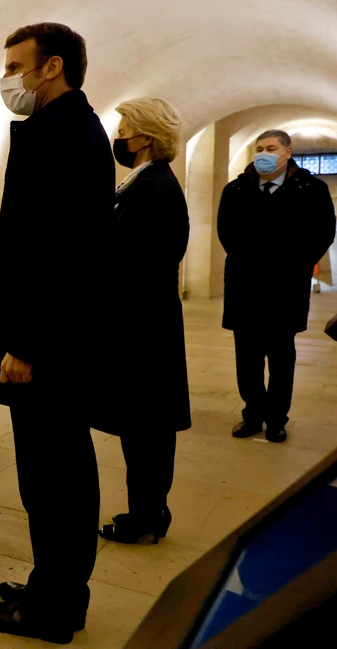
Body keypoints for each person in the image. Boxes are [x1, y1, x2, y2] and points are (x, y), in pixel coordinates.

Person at [0, 23, 114, 644]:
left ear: (51, 67)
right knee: (52, 472)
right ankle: (52, 582)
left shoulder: (66, 135)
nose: (9, 78)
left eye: (15, 65)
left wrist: (26, 345)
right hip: (50, 337)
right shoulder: (60, 128)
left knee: (54, 476)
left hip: (47, 344)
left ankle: (54, 607)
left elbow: (60, 254)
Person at [93, 98, 191, 545]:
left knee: (146, 426)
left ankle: (147, 513)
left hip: (143, 324)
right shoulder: (145, 181)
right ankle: (148, 509)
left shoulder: (153, 187)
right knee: (144, 424)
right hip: (146, 319)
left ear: (145, 136)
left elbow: (136, 261)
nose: (120, 134)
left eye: (125, 126)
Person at [218, 130, 336, 443]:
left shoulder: (311, 189)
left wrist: (296, 264)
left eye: (271, 148)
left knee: (282, 358)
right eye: (259, 148)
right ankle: (253, 414)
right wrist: (249, 260)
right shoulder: (237, 189)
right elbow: (226, 232)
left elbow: (324, 231)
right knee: (248, 358)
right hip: (246, 287)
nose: (263, 153)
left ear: (287, 152)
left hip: (286, 288)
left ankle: (277, 418)